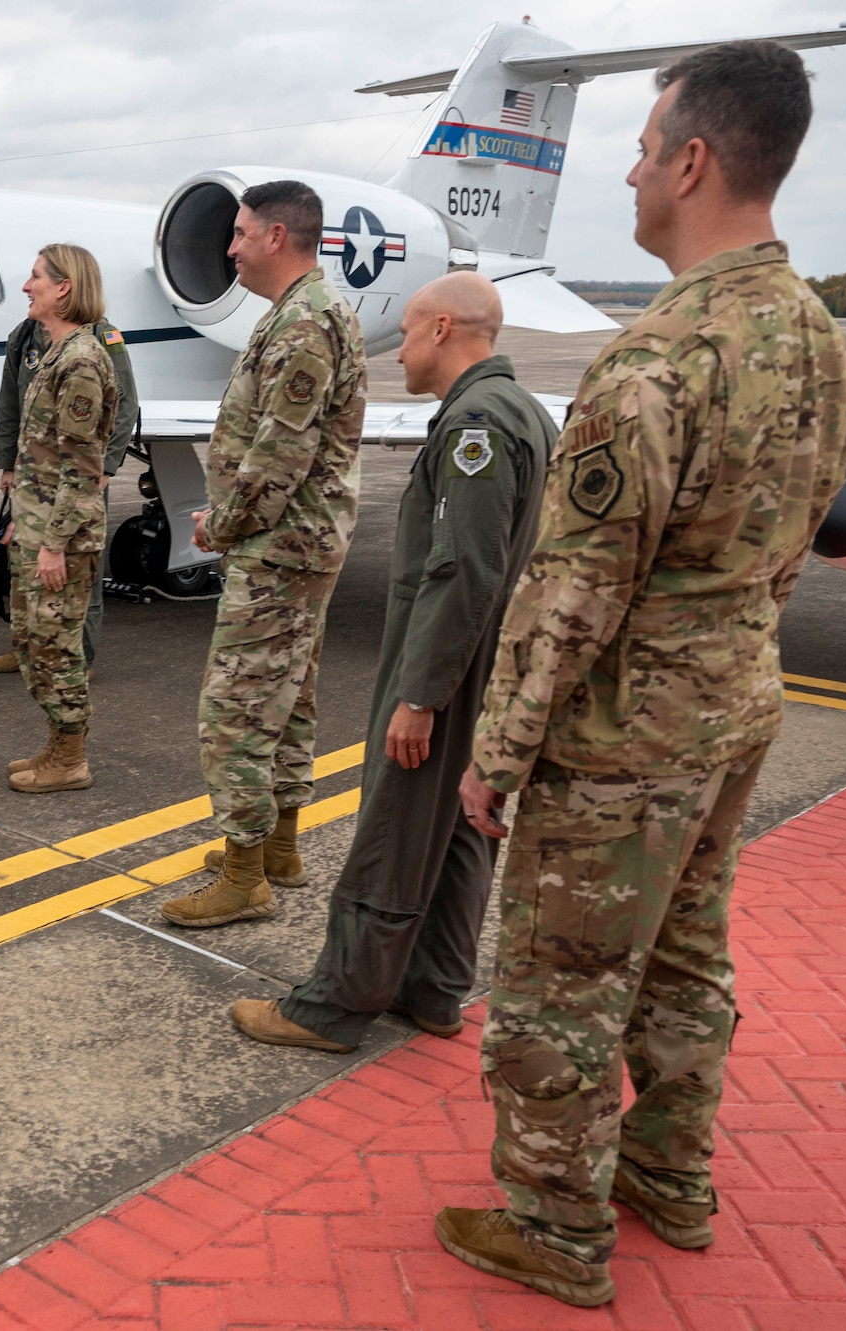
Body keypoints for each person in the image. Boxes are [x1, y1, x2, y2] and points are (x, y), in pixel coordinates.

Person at [436, 42, 846, 1309]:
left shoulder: (655, 359)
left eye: (638, 144)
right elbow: (790, 542)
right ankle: (669, 1175)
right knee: (683, 957)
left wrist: (495, 752)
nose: (624, 170)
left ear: (690, 158)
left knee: (554, 985)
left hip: (623, 739)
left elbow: (570, 595)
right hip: (735, 705)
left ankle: (557, 1226)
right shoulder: (820, 338)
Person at [230, 272, 553, 1054]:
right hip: (494, 659)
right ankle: (436, 987)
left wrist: (421, 692)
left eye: (406, 332)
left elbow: (462, 569)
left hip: (449, 660)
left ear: (442, 328)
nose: (398, 349)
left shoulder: (474, 424)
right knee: (463, 828)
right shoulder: (527, 412)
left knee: (396, 825)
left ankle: (336, 1004)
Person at [159, 180, 363, 927]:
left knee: (236, 709)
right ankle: (278, 847)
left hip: (280, 547)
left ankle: (245, 875)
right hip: (297, 543)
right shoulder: (301, 314)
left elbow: (279, 456)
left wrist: (223, 525)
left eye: (241, 233)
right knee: (288, 697)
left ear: (278, 237)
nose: (230, 246)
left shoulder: (304, 325)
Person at [3, 244, 118, 793]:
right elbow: (39, 458)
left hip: (64, 539)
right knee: (31, 641)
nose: (27, 286)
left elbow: (80, 469)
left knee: (57, 646)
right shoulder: (55, 354)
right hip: (38, 527)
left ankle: (71, 758)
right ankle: (56, 742)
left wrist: (52, 544)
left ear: (64, 288)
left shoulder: (80, 361)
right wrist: (20, 522)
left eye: (35, 277)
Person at [0, 295, 139, 674]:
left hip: (80, 473)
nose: (26, 288)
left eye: (36, 280)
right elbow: (10, 405)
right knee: (25, 564)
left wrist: (107, 467)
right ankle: (28, 650)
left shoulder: (100, 337)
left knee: (81, 566)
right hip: (33, 476)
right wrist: (8, 464)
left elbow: (125, 403)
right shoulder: (22, 337)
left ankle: (79, 657)